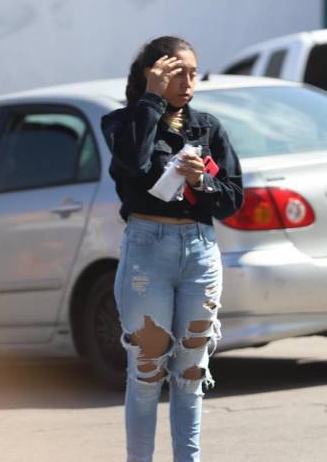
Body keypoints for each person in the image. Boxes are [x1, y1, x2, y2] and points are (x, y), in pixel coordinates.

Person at [101, 36, 243, 462]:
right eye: (174, 71)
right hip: (148, 253)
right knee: (147, 371)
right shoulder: (122, 122)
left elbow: (233, 199)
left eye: (192, 72)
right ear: (151, 74)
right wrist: (150, 100)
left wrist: (203, 182)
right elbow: (131, 165)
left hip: (199, 252)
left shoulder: (208, 127)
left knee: (190, 373)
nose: (186, 80)